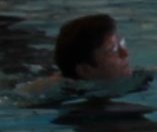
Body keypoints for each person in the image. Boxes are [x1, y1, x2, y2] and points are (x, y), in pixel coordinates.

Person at [15, 13, 147, 105]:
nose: (125, 53)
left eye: (121, 44)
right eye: (112, 50)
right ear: (85, 69)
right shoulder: (55, 96)